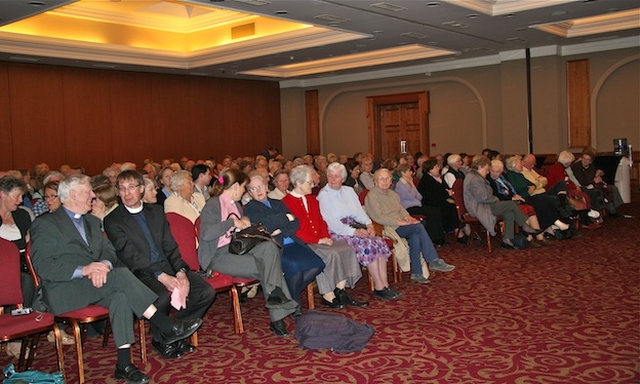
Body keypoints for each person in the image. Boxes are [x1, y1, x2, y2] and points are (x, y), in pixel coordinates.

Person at [31, 174, 202, 384]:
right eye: (88, 192)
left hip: (95, 283)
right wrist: (85, 269)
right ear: (73, 195)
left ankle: (123, 364)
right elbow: (45, 266)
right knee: (121, 275)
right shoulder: (46, 225)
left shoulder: (91, 222)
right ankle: (165, 324)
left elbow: (109, 251)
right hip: (64, 290)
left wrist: (104, 265)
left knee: (120, 296)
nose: (93, 196)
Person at [104, 170, 215, 360]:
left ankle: (171, 332)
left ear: (141, 190)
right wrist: (162, 276)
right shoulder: (113, 220)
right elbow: (131, 256)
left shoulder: (155, 211)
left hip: (166, 266)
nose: (126, 193)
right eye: (122, 189)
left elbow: (169, 245)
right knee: (160, 296)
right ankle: (161, 339)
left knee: (205, 292)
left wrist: (180, 272)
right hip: (139, 272)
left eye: (131, 187)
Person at [198, 169, 298, 337]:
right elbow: (206, 233)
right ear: (236, 186)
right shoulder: (213, 204)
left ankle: (279, 303)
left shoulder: (236, 205)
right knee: (269, 266)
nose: (245, 191)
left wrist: (245, 222)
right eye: (244, 187)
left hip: (237, 249)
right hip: (219, 255)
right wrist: (232, 222)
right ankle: (278, 316)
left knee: (269, 247)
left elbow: (240, 231)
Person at [283, 166, 368, 308]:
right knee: (331, 254)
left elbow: (321, 221)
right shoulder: (286, 202)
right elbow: (295, 230)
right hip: (303, 243)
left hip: (320, 238)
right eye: (309, 182)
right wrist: (318, 240)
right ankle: (328, 294)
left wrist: (325, 237)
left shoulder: (312, 200)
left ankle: (340, 290)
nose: (313, 185)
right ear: (298, 183)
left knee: (346, 249)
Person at [318, 163, 401, 301]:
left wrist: (369, 225)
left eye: (336, 176)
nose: (332, 179)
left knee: (378, 242)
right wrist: (354, 232)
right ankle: (379, 287)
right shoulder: (324, 195)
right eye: (330, 176)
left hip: (354, 226)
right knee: (368, 244)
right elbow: (332, 223)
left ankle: (385, 284)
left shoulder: (349, 191)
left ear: (343, 178)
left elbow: (359, 212)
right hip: (337, 232)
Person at [243, 172, 325, 308]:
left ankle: (287, 292)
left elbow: (295, 223)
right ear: (249, 192)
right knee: (295, 268)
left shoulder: (277, 203)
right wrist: (285, 219)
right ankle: (294, 302)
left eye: (260, 186)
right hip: (277, 247)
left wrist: (281, 228)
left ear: (266, 187)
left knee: (318, 264)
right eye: (253, 188)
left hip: (293, 242)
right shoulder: (251, 208)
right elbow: (265, 227)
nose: (258, 191)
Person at [365, 169, 455, 283]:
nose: (384, 181)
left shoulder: (392, 194)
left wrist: (408, 217)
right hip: (386, 228)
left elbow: (401, 209)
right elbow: (378, 217)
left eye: (387, 178)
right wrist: (400, 222)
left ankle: (417, 273)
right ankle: (433, 260)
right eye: (381, 178)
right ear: (375, 181)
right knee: (418, 227)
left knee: (415, 235)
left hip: (400, 225)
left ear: (391, 181)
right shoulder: (372, 195)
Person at [464, 156, 538, 250]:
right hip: (479, 207)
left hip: (484, 204)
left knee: (509, 212)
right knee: (511, 204)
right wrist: (495, 198)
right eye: (487, 170)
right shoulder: (475, 179)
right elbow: (482, 197)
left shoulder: (474, 176)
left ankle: (507, 239)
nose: (488, 172)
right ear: (480, 167)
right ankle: (524, 226)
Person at [488, 159, 560, 246]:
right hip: (503, 203)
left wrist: (515, 196)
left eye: (498, 171)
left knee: (530, 207)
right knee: (526, 208)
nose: (495, 174)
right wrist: (512, 197)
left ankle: (540, 237)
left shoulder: (503, 176)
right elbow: (494, 195)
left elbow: (511, 189)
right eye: (493, 171)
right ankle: (529, 237)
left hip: (513, 200)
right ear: (489, 170)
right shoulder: (489, 180)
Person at [394, 163, 449, 247]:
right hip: (408, 208)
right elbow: (411, 196)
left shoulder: (409, 183)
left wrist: (412, 186)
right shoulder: (400, 185)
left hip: (417, 205)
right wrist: (412, 186)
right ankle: (432, 238)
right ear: (403, 173)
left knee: (435, 210)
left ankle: (439, 238)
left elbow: (419, 197)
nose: (411, 173)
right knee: (430, 213)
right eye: (409, 171)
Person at [417, 160, 465, 243]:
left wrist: (447, 193)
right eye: (436, 167)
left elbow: (442, 190)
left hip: (438, 200)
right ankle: (458, 232)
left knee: (454, 206)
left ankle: (459, 231)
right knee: (450, 208)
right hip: (431, 203)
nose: (438, 169)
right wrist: (447, 193)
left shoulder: (435, 178)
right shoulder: (427, 180)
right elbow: (434, 194)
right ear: (430, 169)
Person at [571, 148, 623, 216]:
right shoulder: (576, 167)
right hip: (583, 186)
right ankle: (606, 211)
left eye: (587, 159)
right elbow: (583, 181)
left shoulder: (592, 167)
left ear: (591, 161)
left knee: (612, 188)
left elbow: (591, 177)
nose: (585, 161)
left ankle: (613, 210)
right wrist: (594, 179)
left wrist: (597, 177)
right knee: (600, 191)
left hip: (592, 184)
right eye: (584, 158)